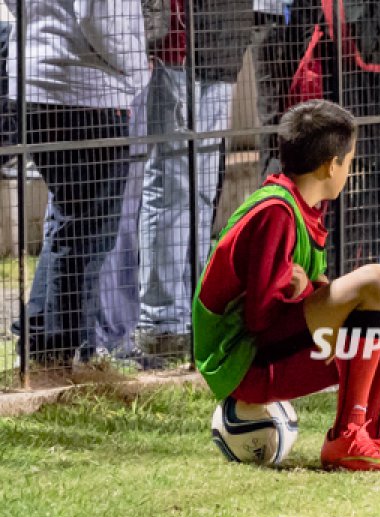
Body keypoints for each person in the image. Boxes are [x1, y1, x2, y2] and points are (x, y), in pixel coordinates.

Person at [193, 100, 380, 472]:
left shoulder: (301, 206)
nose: (349, 169)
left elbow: (305, 290)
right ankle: (345, 436)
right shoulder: (276, 212)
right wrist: (310, 297)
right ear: (331, 165)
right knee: (377, 281)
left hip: (271, 346)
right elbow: (259, 317)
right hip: (243, 364)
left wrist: (314, 293)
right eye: (349, 161)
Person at [7, 0, 150, 366]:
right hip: (87, 89)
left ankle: (39, 335)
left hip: (35, 82)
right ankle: (58, 358)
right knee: (88, 235)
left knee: (70, 221)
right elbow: (97, 15)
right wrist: (135, 69)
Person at [136, 0, 250, 355]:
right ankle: (162, 321)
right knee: (171, 184)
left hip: (222, 49)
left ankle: (192, 313)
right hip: (178, 49)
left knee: (200, 191)